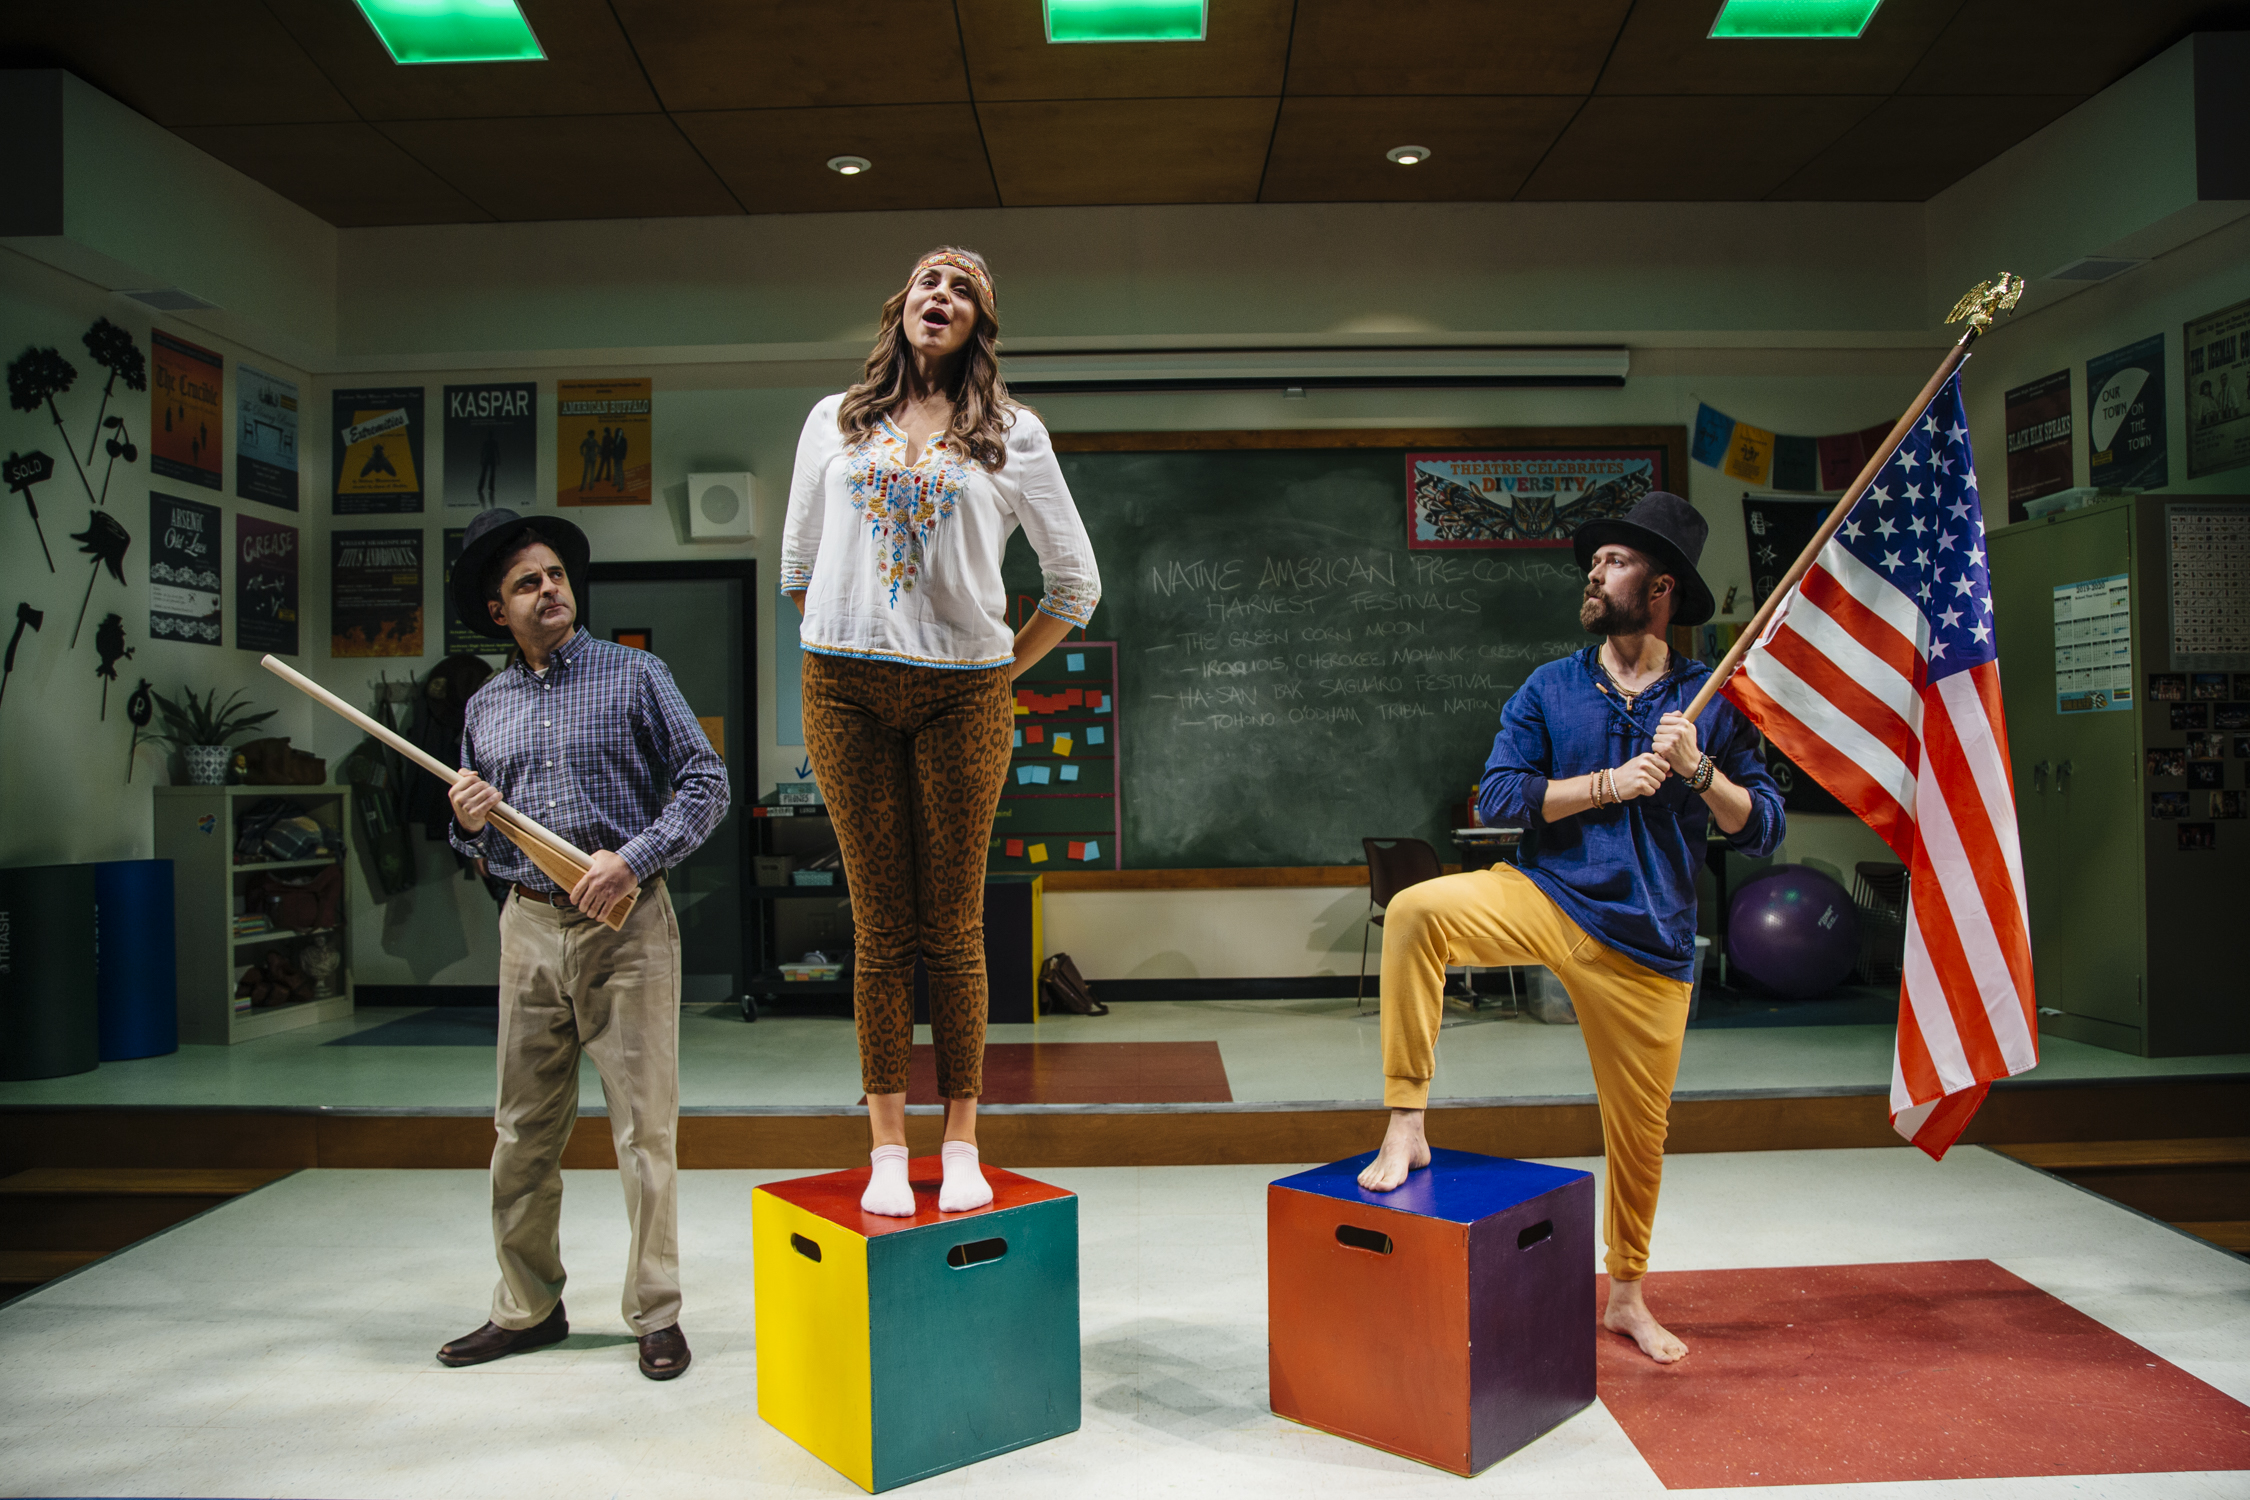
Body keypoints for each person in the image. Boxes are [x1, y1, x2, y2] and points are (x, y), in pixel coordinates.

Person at [1357, 492, 1783, 1365]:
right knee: (1416, 911)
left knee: (1641, 1136)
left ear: (1660, 588)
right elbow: (1500, 797)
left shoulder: (1713, 702)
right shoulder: (1550, 687)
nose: (1593, 575)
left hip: (1651, 941)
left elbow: (1764, 828)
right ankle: (1406, 1120)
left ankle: (1626, 1296)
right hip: (1548, 895)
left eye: (1614, 563)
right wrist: (1605, 785)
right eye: (1593, 563)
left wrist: (1699, 771)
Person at [781, 247, 1099, 1217]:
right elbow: (797, 568)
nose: (943, 295)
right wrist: (861, 634)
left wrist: (995, 670)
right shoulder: (835, 422)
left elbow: (1075, 584)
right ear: (902, 305)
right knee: (880, 926)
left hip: (965, 693)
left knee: (954, 926)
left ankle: (961, 1139)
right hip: (843, 689)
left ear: (979, 325)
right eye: (930, 281)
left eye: (964, 290)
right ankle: (886, 1145)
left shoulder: (1013, 435)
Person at [436, 506, 730, 1381]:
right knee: (521, 1130)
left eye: (556, 575)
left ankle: (656, 1313)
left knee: (644, 1130)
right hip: (528, 926)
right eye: (528, 582)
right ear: (499, 610)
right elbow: (480, 844)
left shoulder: (636, 675)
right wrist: (468, 825)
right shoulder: (484, 707)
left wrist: (631, 858)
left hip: (627, 926)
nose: (549, 590)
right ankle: (528, 1308)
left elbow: (706, 783)